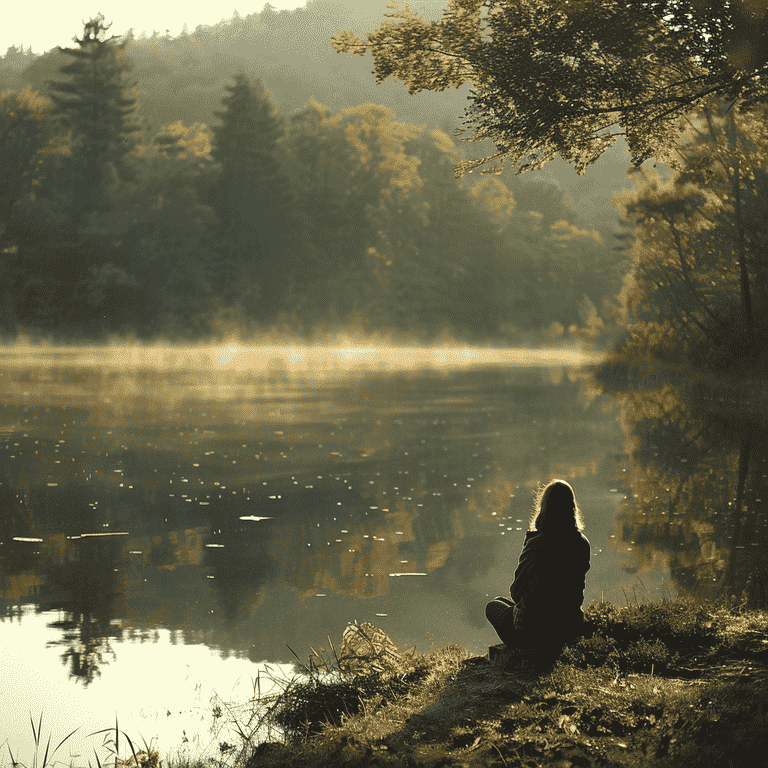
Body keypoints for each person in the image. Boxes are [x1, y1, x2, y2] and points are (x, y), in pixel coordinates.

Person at [486, 479, 591, 653]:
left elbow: (516, 592)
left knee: (492, 606)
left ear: (544, 507)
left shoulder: (537, 544)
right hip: (568, 627)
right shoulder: (582, 543)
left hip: (535, 631)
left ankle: (522, 649)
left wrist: (527, 543)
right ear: (572, 507)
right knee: (502, 602)